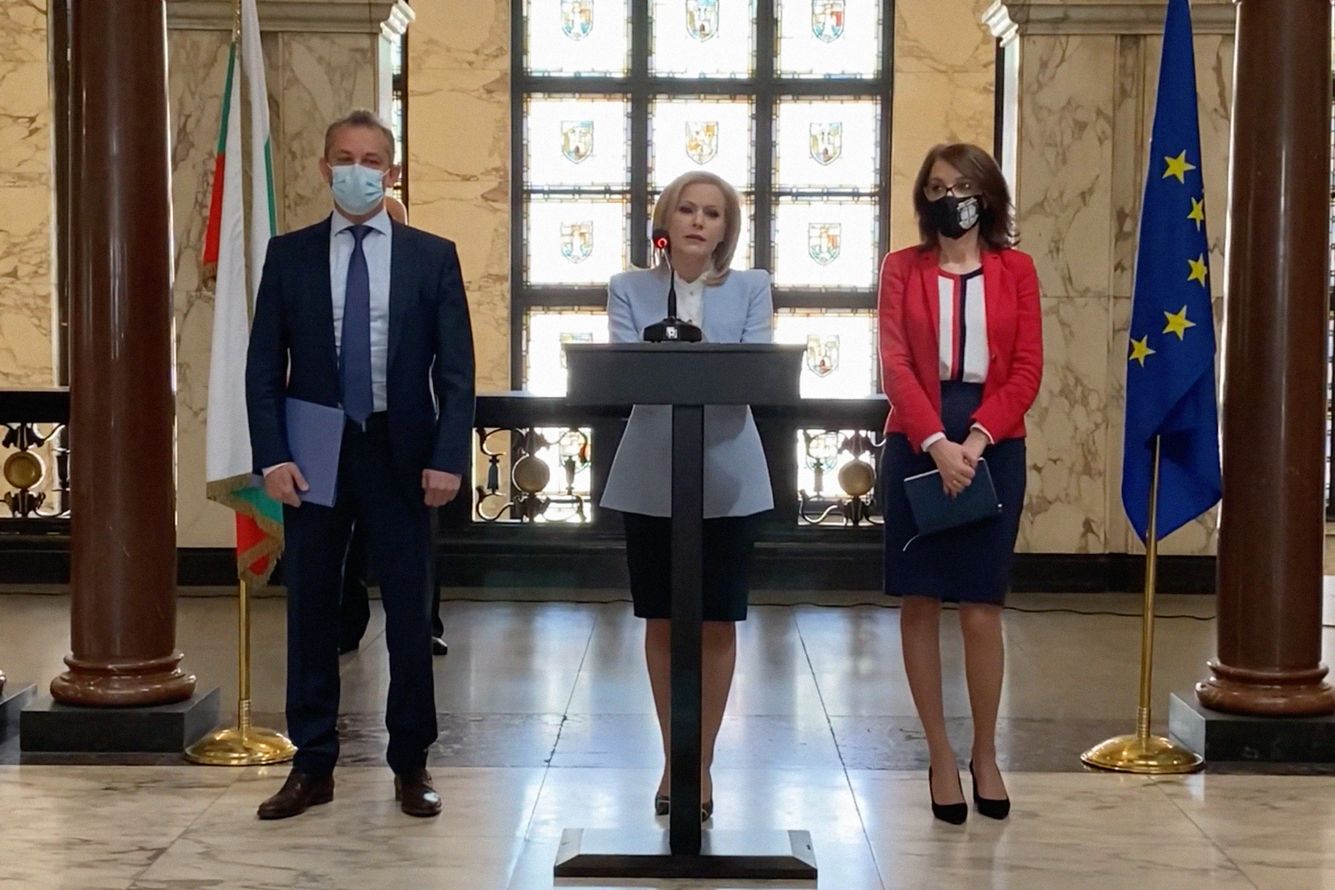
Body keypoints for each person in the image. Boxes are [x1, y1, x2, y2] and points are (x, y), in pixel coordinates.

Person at [246, 109, 475, 820]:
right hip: (314, 449)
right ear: (324, 169)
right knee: (312, 608)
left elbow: (457, 372)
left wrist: (447, 458)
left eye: (371, 160)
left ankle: (411, 764)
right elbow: (263, 368)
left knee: (408, 612)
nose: (357, 170)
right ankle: (312, 765)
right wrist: (272, 455)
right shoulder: (289, 255)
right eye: (344, 158)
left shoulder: (431, 256)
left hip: (399, 449)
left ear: (391, 172)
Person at [599, 170, 774, 822]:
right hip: (652, 471)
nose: (699, 221)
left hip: (728, 473)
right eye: (687, 210)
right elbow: (627, 371)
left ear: (726, 229)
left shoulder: (752, 287)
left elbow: (753, 369)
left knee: (717, 618)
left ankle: (700, 764)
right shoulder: (629, 288)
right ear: (664, 223)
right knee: (663, 618)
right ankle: (674, 758)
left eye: (712, 213)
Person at [877, 143, 1042, 824]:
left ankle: (984, 753)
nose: (952, 198)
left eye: (964, 186)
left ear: (987, 196)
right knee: (920, 601)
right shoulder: (901, 268)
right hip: (917, 437)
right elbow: (894, 364)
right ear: (925, 197)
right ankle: (940, 755)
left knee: (980, 606)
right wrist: (937, 444)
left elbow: (1026, 369)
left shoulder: (1016, 270)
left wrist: (973, 442)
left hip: (992, 440)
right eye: (939, 186)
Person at [339, 194, 449, 658]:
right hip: (334, 434)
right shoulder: (310, 259)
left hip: (401, 436)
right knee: (345, 552)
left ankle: (424, 628)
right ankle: (344, 627)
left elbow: (452, 366)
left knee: (413, 555)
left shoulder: (428, 261)